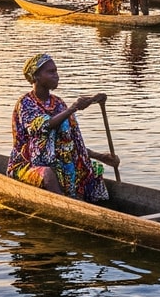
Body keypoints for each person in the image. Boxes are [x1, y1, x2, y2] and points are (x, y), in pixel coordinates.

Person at [9, 53, 117, 202]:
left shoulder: (58, 103)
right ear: (36, 77)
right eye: (51, 72)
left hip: (60, 163)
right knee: (47, 174)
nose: (56, 76)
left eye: (56, 71)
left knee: (91, 169)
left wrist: (101, 156)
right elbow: (42, 127)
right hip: (28, 165)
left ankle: (91, 206)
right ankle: (67, 206)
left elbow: (70, 143)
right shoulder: (26, 103)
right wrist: (73, 109)